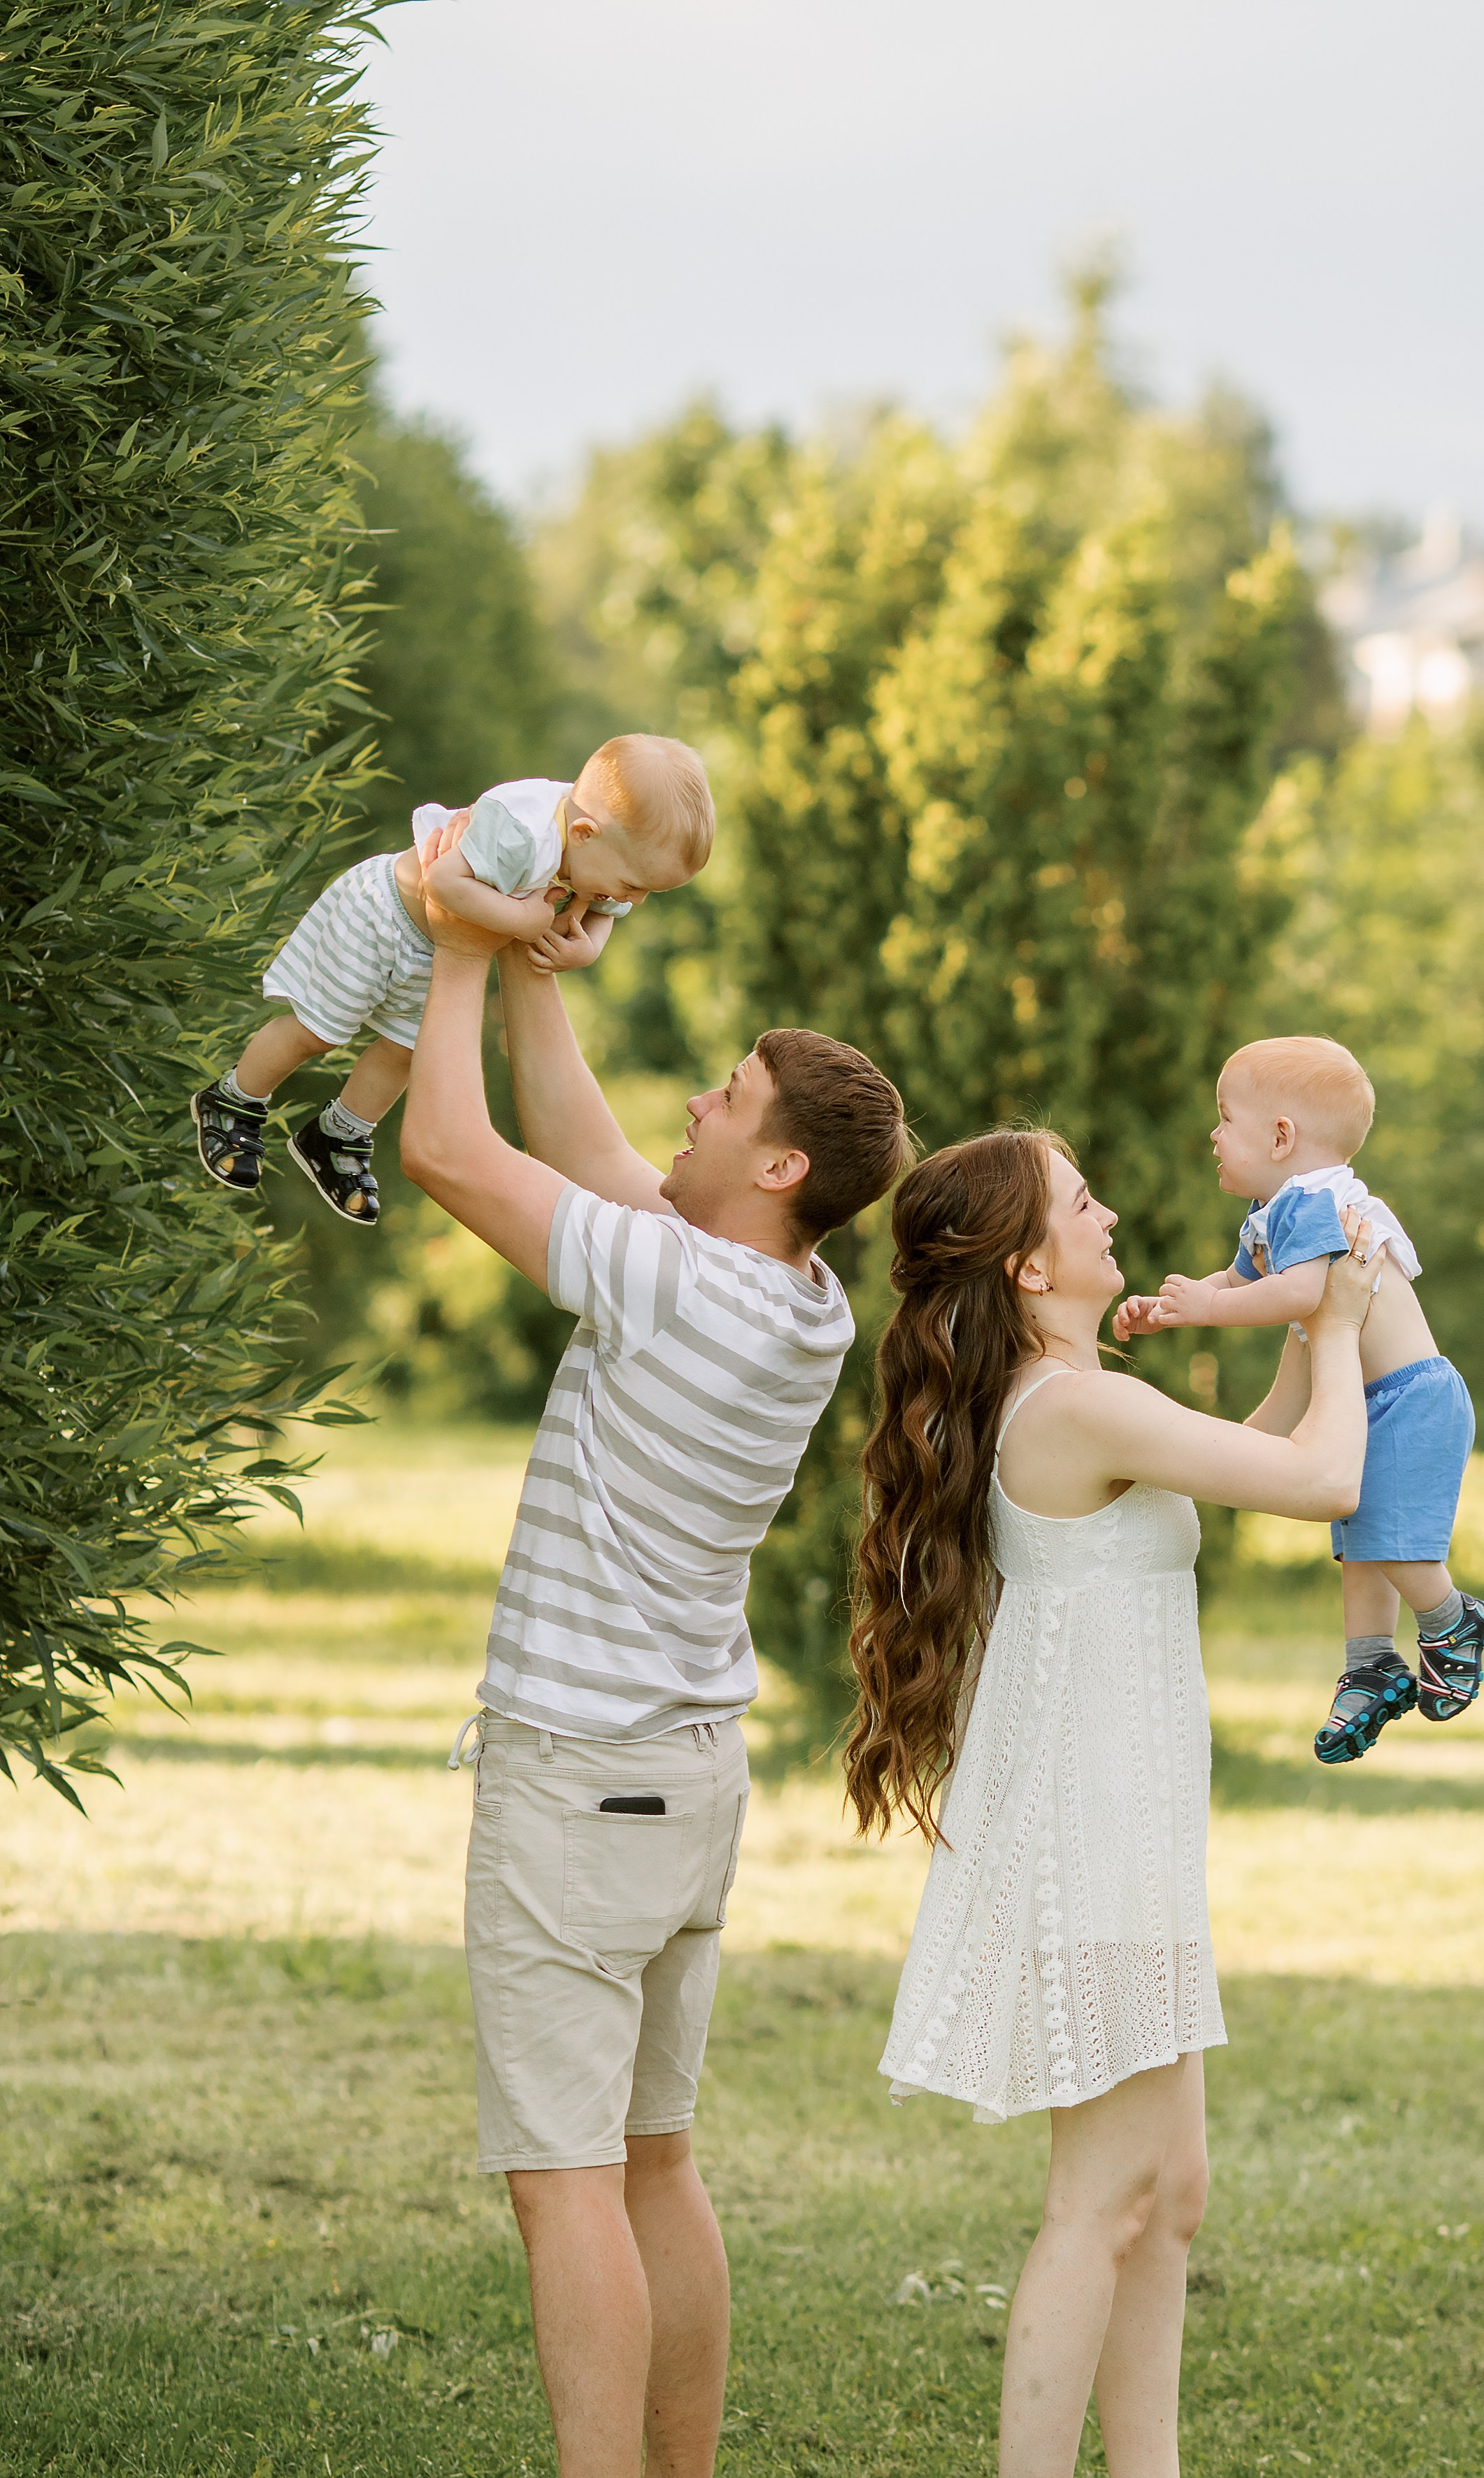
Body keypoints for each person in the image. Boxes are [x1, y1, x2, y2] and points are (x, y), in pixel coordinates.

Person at [399, 836, 910, 2478]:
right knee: (651, 2162)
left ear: (777, 1169)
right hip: (685, 1784)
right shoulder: (796, 1298)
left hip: (577, 1781)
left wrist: (461, 939)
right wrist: (546, 977)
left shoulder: (671, 1288)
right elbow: (603, 1160)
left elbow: (443, 1147)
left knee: (564, 2185)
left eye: (727, 1096)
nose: (695, 1101)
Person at [845, 1127, 1383, 2478]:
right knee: (1101, 2197)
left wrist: (1298, 1328)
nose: (1112, 1209)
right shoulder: (1071, 1406)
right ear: (1030, 1266)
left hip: (1126, 1816)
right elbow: (1324, 1479)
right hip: (1090, 1827)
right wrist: (1343, 1314)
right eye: (1082, 1201)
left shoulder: (1084, 1390)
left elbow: (1242, 1451)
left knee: (1170, 2193)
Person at [1113, 1035, 1484, 1763]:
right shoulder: (1274, 1212)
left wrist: (1203, 1310)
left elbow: (1300, 1293)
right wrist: (1172, 1306)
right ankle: (1370, 1664)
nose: (1213, 1136)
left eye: (1225, 1119)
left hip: (1408, 1395)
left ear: (1281, 1136)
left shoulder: (1317, 1200)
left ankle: (1451, 1618)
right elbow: (1239, 1283)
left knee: (1387, 1536)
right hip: (1368, 1392)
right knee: (1359, 1541)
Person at [190, 733, 713, 1225]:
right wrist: (523, 923)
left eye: (648, 892)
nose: (633, 900)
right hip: (385, 915)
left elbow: (607, 910)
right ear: (583, 835)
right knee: (320, 1030)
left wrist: (589, 947)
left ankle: (338, 1134)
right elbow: (443, 882)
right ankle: (235, 1099)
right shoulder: (521, 831)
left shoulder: (607, 847)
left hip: (434, 946)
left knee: (409, 1051)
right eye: (633, 885)